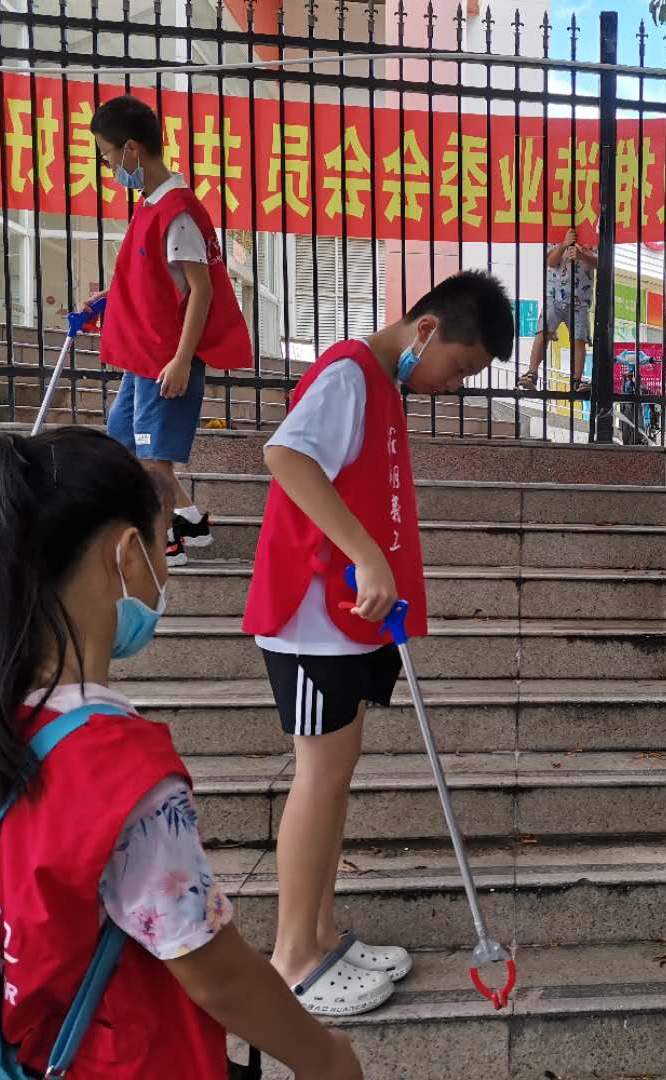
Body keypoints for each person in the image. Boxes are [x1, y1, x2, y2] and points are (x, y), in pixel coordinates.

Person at [0, 428, 362, 1079]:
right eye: (165, 542)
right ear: (128, 554)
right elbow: (214, 969)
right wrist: (324, 1058)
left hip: (27, 1047)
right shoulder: (119, 767)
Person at [242, 271, 514, 1015]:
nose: (452, 386)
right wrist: (364, 552)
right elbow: (286, 457)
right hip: (310, 613)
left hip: (350, 619)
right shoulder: (348, 374)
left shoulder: (381, 387)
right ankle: (293, 958)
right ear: (427, 329)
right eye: (458, 367)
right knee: (318, 776)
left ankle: (322, 934)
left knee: (336, 774)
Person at [87, 94, 253, 567]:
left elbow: (202, 290)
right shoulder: (150, 204)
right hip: (144, 356)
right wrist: (107, 299)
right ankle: (190, 522)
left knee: (153, 459)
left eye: (108, 156)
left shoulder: (177, 211)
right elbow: (153, 278)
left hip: (165, 359)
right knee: (127, 441)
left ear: (131, 149)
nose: (109, 167)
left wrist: (181, 361)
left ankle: (164, 546)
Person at [517, 227, 596, 394]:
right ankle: (532, 373)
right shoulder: (555, 230)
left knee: (578, 339)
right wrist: (563, 244)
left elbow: (600, 263)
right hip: (554, 295)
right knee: (543, 331)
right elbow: (550, 261)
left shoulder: (592, 236)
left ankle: (576, 381)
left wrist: (581, 255)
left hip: (580, 299)